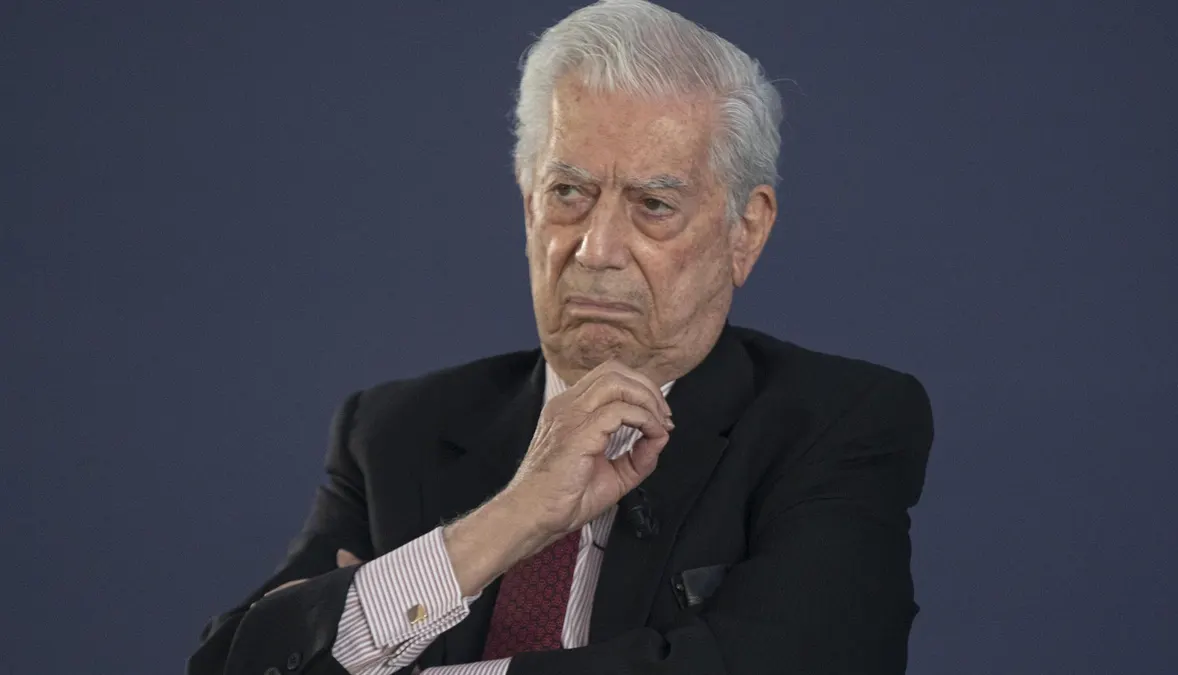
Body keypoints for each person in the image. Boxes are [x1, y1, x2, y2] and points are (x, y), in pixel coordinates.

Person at [187, 1, 934, 673]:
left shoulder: (840, 424)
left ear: (746, 230)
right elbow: (237, 664)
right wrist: (514, 515)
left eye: (653, 204)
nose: (596, 249)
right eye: (568, 193)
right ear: (528, 207)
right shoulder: (393, 434)